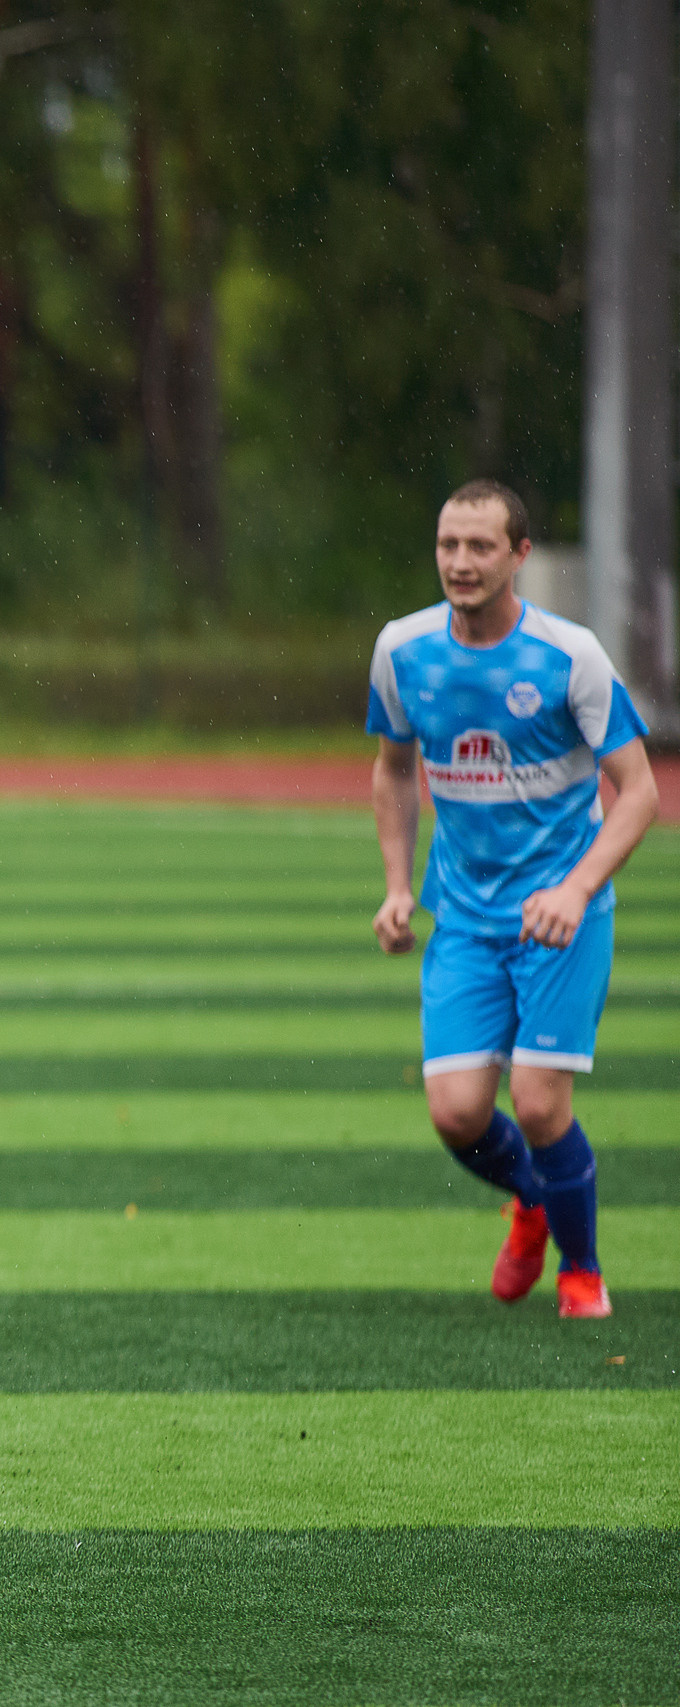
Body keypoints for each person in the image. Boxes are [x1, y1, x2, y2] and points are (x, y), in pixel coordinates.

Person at [367, 479, 657, 1319]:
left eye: (480, 546)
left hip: (563, 917)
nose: (460, 562)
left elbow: (637, 792)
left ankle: (583, 1271)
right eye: (448, 544)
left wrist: (576, 887)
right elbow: (391, 769)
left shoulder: (572, 657)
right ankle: (533, 1201)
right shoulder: (403, 649)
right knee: (457, 1113)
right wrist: (395, 885)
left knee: (535, 1102)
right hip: (463, 915)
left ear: (519, 555)